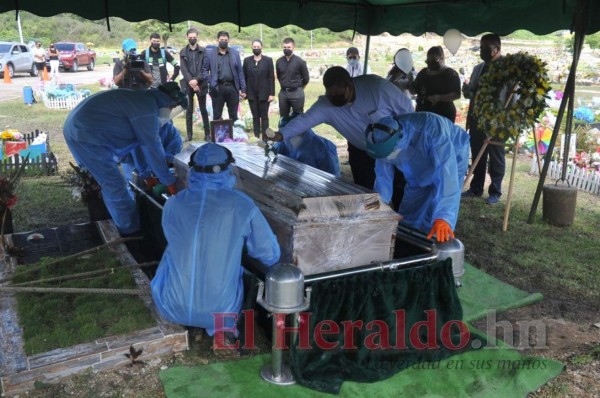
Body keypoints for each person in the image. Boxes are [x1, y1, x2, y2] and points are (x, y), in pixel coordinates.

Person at [151, 143, 281, 345]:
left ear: (192, 171)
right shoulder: (241, 204)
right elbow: (269, 254)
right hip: (220, 312)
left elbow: (175, 239)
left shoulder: (173, 203)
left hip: (170, 305)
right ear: (228, 170)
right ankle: (222, 333)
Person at [63, 82, 187, 235]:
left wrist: (150, 175)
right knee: (114, 185)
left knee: (106, 183)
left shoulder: (143, 100)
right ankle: (130, 232)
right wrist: (169, 182)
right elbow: (151, 146)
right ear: (167, 101)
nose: (170, 112)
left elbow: (137, 144)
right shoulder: (146, 109)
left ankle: (112, 220)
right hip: (86, 136)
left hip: (82, 131)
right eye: (172, 107)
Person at [269, 66, 413, 191]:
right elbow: (304, 120)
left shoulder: (377, 88)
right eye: (331, 94)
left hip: (397, 147)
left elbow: (406, 110)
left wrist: (409, 142)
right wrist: (280, 135)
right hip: (363, 151)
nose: (335, 98)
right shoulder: (326, 105)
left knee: (401, 187)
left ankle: (403, 220)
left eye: (338, 93)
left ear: (350, 85)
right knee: (365, 192)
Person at [365, 113, 470, 242]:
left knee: (437, 209)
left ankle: (434, 240)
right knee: (411, 206)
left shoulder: (432, 130)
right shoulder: (381, 138)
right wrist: (376, 207)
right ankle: (407, 240)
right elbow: (382, 177)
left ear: (400, 139)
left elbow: (447, 177)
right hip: (418, 163)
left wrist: (443, 217)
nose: (388, 159)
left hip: (453, 154)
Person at [462, 33, 506, 205]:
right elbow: (472, 92)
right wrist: (467, 90)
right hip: (477, 118)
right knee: (477, 154)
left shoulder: (507, 70)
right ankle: (476, 188)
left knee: (496, 156)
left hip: (497, 121)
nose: (481, 51)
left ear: (495, 49)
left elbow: (511, 97)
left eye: (484, 48)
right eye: (480, 48)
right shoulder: (478, 68)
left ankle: (495, 191)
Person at [120, 120, 183, 198]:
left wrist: (165, 165)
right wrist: (147, 176)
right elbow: (138, 156)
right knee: (136, 192)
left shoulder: (167, 127)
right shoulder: (135, 128)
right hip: (134, 168)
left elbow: (174, 148)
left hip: (158, 174)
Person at [273, 113, 340, 176]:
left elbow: (332, 176)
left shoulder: (322, 147)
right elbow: (272, 157)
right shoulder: (283, 143)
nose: (288, 137)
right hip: (290, 183)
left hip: (315, 184)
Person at [202, 31, 246, 121]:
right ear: (217, 40)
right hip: (217, 87)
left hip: (232, 87)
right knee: (217, 116)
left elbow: (240, 71)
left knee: (233, 116)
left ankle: (234, 134)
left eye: (225, 40)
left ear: (228, 41)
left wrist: (243, 88)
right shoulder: (210, 54)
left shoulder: (235, 53)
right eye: (221, 40)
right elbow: (204, 70)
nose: (223, 41)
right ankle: (218, 135)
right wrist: (211, 81)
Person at [412, 46, 461, 122]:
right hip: (423, 112)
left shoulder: (450, 74)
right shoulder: (423, 73)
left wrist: (439, 97)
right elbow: (415, 90)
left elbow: (457, 94)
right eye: (428, 61)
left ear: (441, 58)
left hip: (443, 114)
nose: (430, 64)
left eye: (434, 61)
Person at [179, 27, 210, 141]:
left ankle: (207, 134)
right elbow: (183, 68)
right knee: (189, 109)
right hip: (188, 85)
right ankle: (189, 135)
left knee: (203, 109)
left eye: (194, 37)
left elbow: (205, 68)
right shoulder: (183, 52)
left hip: (201, 84)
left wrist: (197, 80)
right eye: (190, 37)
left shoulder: (204, 51)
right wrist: (191, 81)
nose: (192, 39)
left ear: (197, 37)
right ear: (187, 37)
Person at [243, 39, 275, 139]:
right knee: (255, 116)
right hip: (251, 93)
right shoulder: (247, 61)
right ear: (252, 48)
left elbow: (271, 77)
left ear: (261, 48)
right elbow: (244, 77)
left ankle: (265, 137)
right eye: (254, 47)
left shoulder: (268, 60)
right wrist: (243, 91)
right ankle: (256, 135)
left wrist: (271, 93)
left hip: (264, 93)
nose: (256, 48)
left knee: (264, 116)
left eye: (258, 47)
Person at [275, 37, 310, 117]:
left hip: (297, 93)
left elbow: (306, 79)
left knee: (298, 118)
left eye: (289, 47)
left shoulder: (300, 62)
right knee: (283, 117)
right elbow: (279, 76)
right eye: (284, 47)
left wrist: (300, 88)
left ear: (293, 47)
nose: (286, 49)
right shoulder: (279, 62)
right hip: (283, 94)